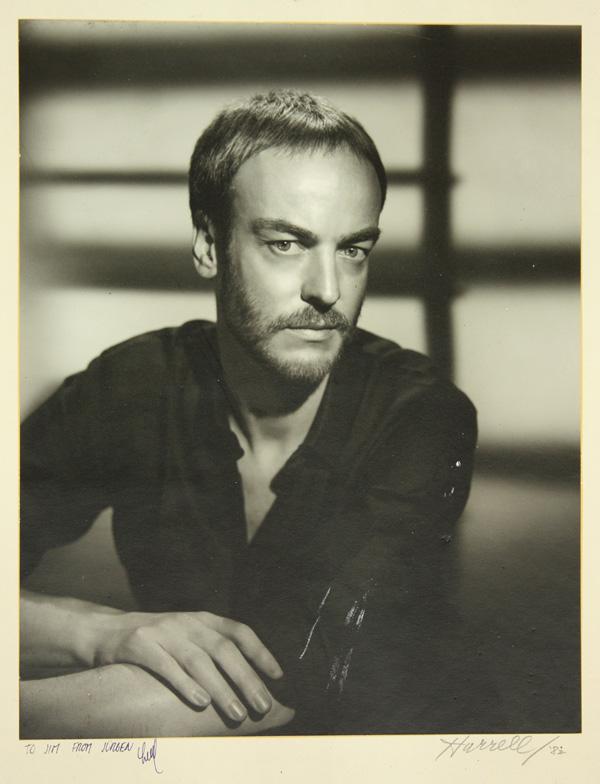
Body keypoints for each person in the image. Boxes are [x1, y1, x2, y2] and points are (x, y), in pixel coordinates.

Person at [20, 90, 479, 738]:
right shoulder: (133, 384)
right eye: (287, 243)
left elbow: (288, 673)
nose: (328, 290)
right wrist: (95, 633)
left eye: (353, 249)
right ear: (209, 245)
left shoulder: (421, 417)